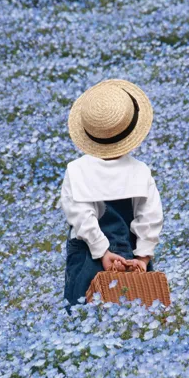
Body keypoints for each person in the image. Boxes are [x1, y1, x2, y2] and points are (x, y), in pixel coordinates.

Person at [58, 79, 164, 315]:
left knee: (85, 312)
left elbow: (81, 217)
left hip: (89, 255)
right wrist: (143, 258)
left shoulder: (76, 170)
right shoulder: (140, 171)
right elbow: (151, 217)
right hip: (131, 256)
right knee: (138, 305)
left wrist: (103, 252)